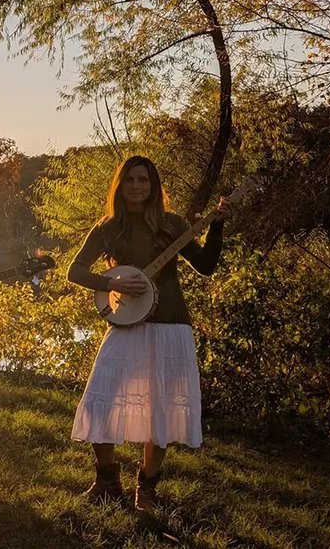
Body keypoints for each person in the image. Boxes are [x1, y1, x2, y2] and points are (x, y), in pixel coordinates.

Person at [68, 155, 231, 511]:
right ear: (120, 185)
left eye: (143, 180)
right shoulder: (108, 227)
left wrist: (216, 227)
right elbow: (75, 270)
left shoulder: (172, 224)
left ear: (154, 187)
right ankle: (108, 481)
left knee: (160, 408)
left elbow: (205, 266)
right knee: (100, 399)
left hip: (170, 324)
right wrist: (109, 281)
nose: (137, 186)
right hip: (126, 322)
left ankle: (147, 489)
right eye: (130, 180)